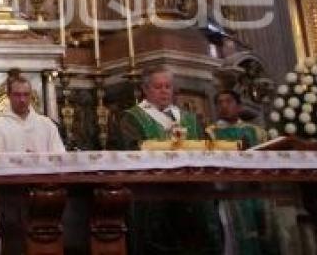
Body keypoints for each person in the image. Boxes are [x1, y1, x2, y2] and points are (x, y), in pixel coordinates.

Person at [116, 66, 222, 255]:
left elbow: (205, 148)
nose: (164, 91)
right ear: (145, 90)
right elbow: (130, 152)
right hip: (154, 195)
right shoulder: (132, 119)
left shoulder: (190, 118)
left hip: (194, 194)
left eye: (168, 86)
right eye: (158, 87)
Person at [0, 73, 65, 255]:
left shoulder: (47, 125)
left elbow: (61, 158)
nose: (22, 99)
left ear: (31, 96)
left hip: (45, 195)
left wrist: (38, 160)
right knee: (15, 243)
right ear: (9, 96)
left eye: (26, 95)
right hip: (10, 195)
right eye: (17, 95)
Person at [208, 91, 274, 255]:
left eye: (228, 101)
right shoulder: (211, 132)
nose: (224, 106)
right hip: (228, 191)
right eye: (220, 102)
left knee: (264, 232)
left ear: (238, 106)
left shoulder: (256, 131)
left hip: (258, 190)